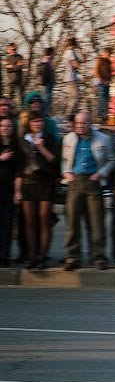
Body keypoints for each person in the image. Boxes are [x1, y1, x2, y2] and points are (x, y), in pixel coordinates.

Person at [61, 112, 115, 270]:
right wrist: (66, 172)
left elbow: (111, 159)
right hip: (75, 181)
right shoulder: (69, 138)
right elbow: (64, 160)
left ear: (90, 123)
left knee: (97, 222)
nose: (80, 126)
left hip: (93, 181)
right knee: (72, 221)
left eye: (83, 123)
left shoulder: (103, 139)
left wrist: (101, 173)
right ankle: (72, 257)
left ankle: (98, 257)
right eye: (77, 123)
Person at [17, 110, 60, 269]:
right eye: (35, 121)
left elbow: (54, 161)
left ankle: (42, 257)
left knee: (44, 220)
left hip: (45, 182)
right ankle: (32, 256)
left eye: (40, 121)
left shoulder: (48, 138)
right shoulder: (23, 140)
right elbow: (20, 167)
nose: (38, 124)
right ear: (29, 123)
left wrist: (41, 147)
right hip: (28, 183)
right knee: (29, 221)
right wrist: (17, 190)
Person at [0, 117, 24, 267]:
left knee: (7, 224)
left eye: (8, 126)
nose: (5, 128)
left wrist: (17, 191)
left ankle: (4, 256)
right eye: (2, 126)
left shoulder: (16, 146)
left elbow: (18, 172)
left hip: (8, 189)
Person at [61, 38, 83, 120]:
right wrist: (78, 64)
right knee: (75, 97)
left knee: (72, 97)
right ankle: (69, 116)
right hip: (72, 77)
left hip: (68, 77)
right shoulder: (70, 52)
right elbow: (76, 65)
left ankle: (70, 116)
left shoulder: (65, 52)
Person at [94, 48, 113, 123]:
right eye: (107, 54)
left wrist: (109, 79)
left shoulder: (108, 61)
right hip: (100, 81)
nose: (108, 56)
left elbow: (109, 71)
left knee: (106, 98)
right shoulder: (100, 60)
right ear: (104, 53)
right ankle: (99, 114)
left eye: (109, 55)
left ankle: (105, 116)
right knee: (102, 97)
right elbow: (96, 71)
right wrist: (101, 79)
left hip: (107, 81)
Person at [38, 48, 55, 115]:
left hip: (48, 82)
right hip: (47, 83)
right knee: (47, 98)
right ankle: (45, 113)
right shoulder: (45, 60)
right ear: (50, 53)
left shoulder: (47, 60)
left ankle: (46, 112)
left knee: (48, 98)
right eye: (53, 53)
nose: (53, 55)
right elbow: (43, 71)